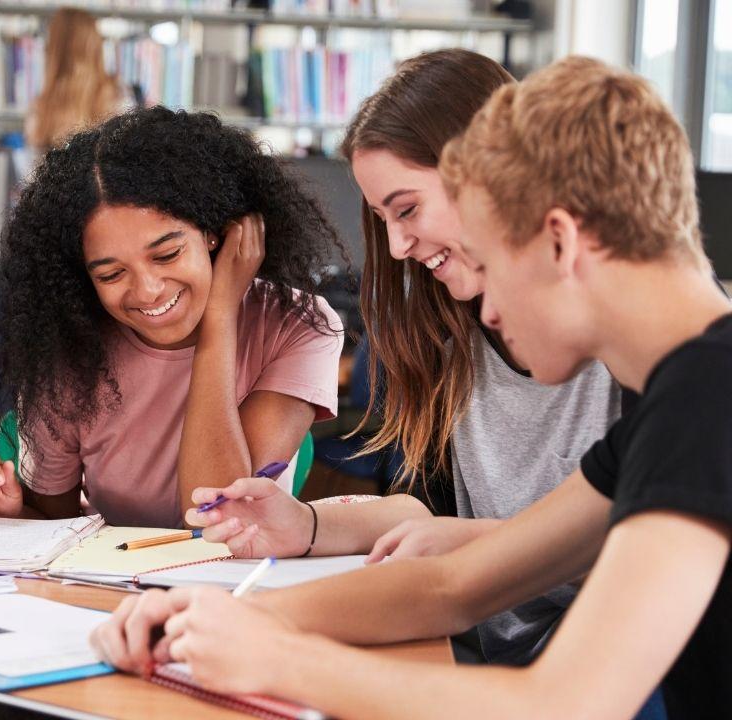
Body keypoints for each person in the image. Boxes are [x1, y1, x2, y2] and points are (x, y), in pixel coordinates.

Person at [93, 56, 730, 720]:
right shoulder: (674, 405)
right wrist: (216, 615)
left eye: (489, 260)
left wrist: (283, 659)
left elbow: (565, 703)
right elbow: (454, 584)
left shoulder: (707, 396)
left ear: (559, 243)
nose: (484, 311)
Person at [190, 49, 623, 665]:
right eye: (383, 220)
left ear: (493, 175)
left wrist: (252, 623)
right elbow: (428, 513)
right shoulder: (452, 327)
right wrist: (305, 527)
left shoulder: (642, 351)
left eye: (409, 208)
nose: (396, 247)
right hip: (474, 654)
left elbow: (636, 560)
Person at [0, 106, 427, 534]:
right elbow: (56, 527)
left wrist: (220, 316)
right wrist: (11, 519)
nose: (147, 290)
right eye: (111, 273)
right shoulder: (72, 342)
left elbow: (219, 510)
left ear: (218, 233)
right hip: (108, 588)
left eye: (168, 253)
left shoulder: (297, 325)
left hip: (237, 583)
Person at [25, 7, 126, 152]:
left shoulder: (40, 110)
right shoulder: (117, 98)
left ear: (55, 49)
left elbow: (33, 167)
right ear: (95, 46)